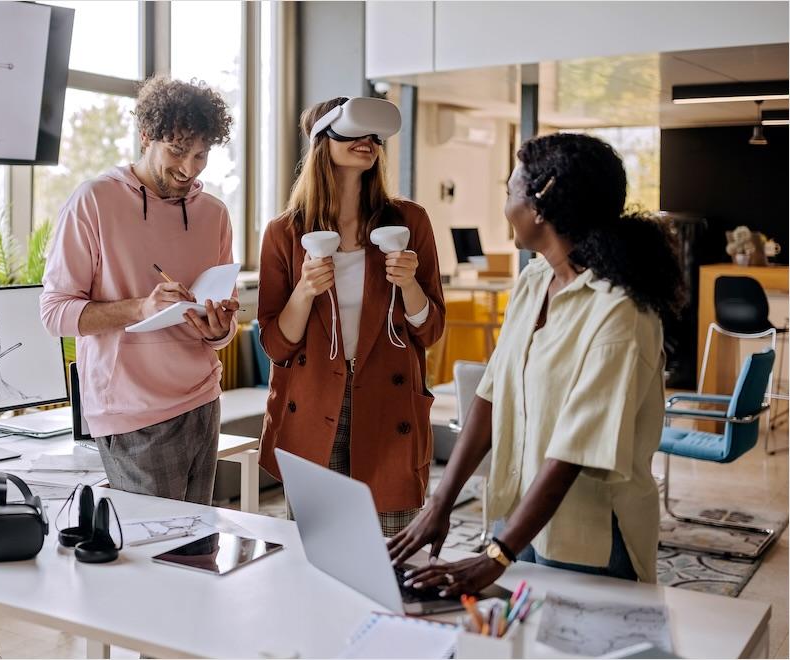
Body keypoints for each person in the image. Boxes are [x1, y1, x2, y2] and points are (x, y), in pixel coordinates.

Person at [390, 132, 686, 591]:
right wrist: (440, 503)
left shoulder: (621, 311)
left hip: (589, 540)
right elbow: (492, 393)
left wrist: (496, 555)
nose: (505, 204)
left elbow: (573, 451)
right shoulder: (534, 281)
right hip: (517, 519)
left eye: (510, 192)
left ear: (539, 208)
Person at [40, 77, 239, 505]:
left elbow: (221, 327)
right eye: (178, 151)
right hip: (132, 415)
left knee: (197, 552)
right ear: (146, 137)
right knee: (152, 558)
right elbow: (55, 312)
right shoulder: (93, 202)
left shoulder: (215, 215)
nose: (190, 168)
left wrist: (218, 329)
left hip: (203, 401)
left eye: (201, 154)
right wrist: (141, 308)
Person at [257, 97, 446, 536]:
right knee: (317, 557)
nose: (367, 142)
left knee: (388, 557)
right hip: (314, 406)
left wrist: (410, 284)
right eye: (354, 132)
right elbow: (277, 345)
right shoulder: (284, 233)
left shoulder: (409, 221)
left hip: (388, 407)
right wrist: (305, 290)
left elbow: (432, 328)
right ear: (325, 140)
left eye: (374, 136)